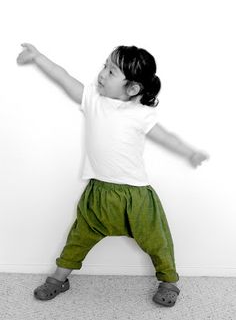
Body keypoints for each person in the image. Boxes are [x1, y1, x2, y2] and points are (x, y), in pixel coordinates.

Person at [17, 43, 208, 307]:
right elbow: (64, 78)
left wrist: (190, 152)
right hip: (99, 193)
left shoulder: (141, 114)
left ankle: (169, 281)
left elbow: (166, 137)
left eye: (111, 71)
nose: (102, 74)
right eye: (104, 66)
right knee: (78, 238)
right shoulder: (93, 100)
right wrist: (39, 57)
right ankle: (59, 279)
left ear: (132, 88)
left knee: (157, 241)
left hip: (136, 196)